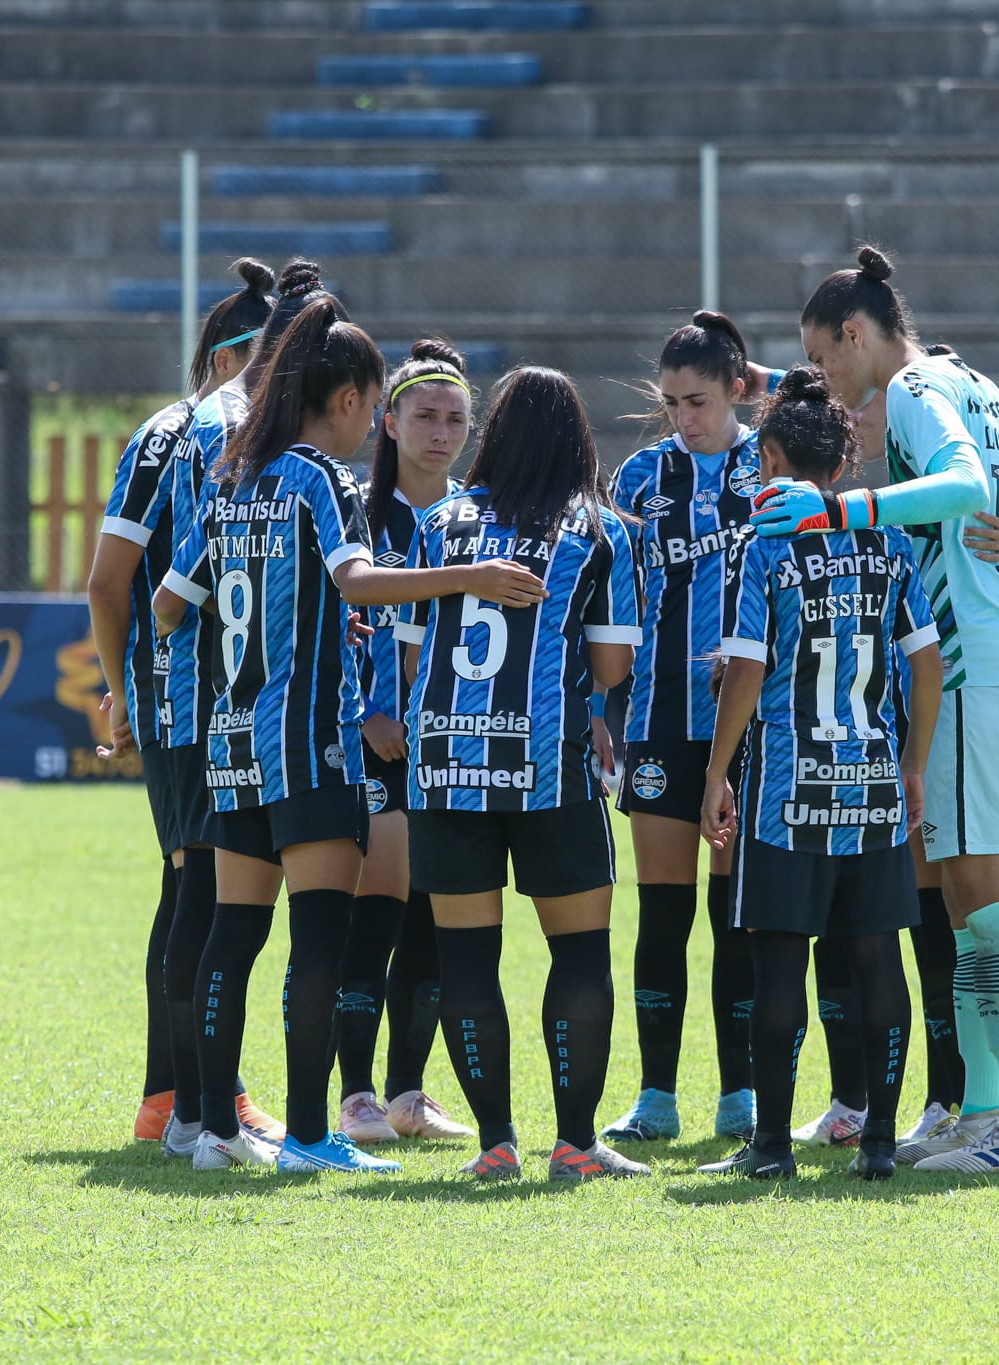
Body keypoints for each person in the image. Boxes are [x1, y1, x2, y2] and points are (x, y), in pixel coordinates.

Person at [153, 295, 545, 1175]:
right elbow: (360, 580)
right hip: (308, 742)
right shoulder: (318, 479)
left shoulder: (231, 478)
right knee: (319, 941)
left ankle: (215, 1130)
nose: (374, 424)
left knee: (231, 936)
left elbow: (169, 604)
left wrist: (276, 621)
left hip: (232, 737)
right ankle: (306, 1133)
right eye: (374, 405)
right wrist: (469, 575)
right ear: (345, 400)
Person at [755, 246, 999, 1176]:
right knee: (969, 902)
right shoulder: (968, 379)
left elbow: (970, 486)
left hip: (980, 665)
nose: (823, 384)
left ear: (855, 336)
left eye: (821, 361)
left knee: (987, 893)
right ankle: (982, 1109)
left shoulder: (909, 391)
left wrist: (844, 513)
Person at [393, 366, 650, 1183]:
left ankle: (495, 1141)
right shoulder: (600, 529)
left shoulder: (442, 522)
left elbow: (410, 651)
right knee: (578, 957)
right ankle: (575, 1143)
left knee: (467, 962)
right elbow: (610, 666)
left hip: (446, 767)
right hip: (550, 770)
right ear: (580, 441)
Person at [696, 365, 942, 1180]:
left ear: (769, 458)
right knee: (877, 959)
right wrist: (910, 766)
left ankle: (769, 1145)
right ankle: (878, 1143)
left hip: (785, 793)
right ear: (842, 466)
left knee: (778, 963)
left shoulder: (766, 544)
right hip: (870, 783)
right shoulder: (889, 540)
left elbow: (745, 670)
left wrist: (717, 772)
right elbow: (929, 663)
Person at [85, 259, 276, 1144]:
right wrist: (124, 690)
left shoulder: (176, 433)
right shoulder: (189, 434)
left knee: (194, 890)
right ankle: (189, 1100)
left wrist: (125, 692)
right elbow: (108, 582)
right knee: (204, 892)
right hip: (204, 698)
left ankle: (184, 1093)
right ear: (238, 355)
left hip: (192, 700)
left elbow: (109, 584)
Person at [146, 257, 326, 1164]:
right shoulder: (300, 460)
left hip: (211, 712)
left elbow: (161, 596)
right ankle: (305, 1126)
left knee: (209, 915)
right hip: (293, 725)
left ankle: (192, 1114)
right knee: (302, 929)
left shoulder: (205, 437)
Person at [597, 311, 766, 1146]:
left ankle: (742, 1095)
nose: (682, 417)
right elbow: (609, 605)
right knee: (663, 915)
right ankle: (656, 1094)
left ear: (737, 389)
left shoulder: (769, 470)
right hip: (659, 721)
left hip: (751, 726)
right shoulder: (637, 479)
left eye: (697, 399)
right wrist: (601, 712)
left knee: (736, 913)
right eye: (669, 402)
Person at [333, 340, 477, 1146]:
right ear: (387, 421)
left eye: (456, 417)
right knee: (375, 914)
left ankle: (407, 1093)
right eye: (425, 414)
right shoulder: (354, 508)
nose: (441, 430)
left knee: (429, 918)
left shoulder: (470, 520)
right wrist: (362, 712)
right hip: (369, 747)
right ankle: (354, 1094)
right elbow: (321, 622)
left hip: (447, 752)